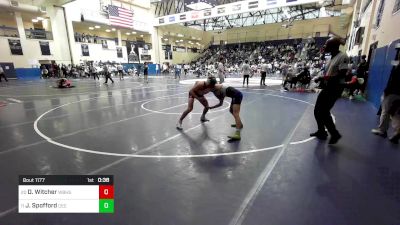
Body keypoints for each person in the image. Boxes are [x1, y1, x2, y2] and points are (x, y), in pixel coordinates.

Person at [310, 37, 349, 144]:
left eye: (327, 45)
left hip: (335, 88)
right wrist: (322, 78)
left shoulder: (343, 57)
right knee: (318, 111)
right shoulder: (331, 57)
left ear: (333, 46)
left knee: (323, 111)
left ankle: (334, 134)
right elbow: (329, 73)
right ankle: (321, 131)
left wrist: (324, 78)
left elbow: (341, 74)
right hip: (328, 87)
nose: (325, 46)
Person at [371, 64, 400, 139]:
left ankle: (382, 130)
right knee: (396, 113)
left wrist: (386, 92)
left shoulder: (398, 68)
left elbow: (393, 82)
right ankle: (397, 131)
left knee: (385, 111)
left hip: (393, 92)